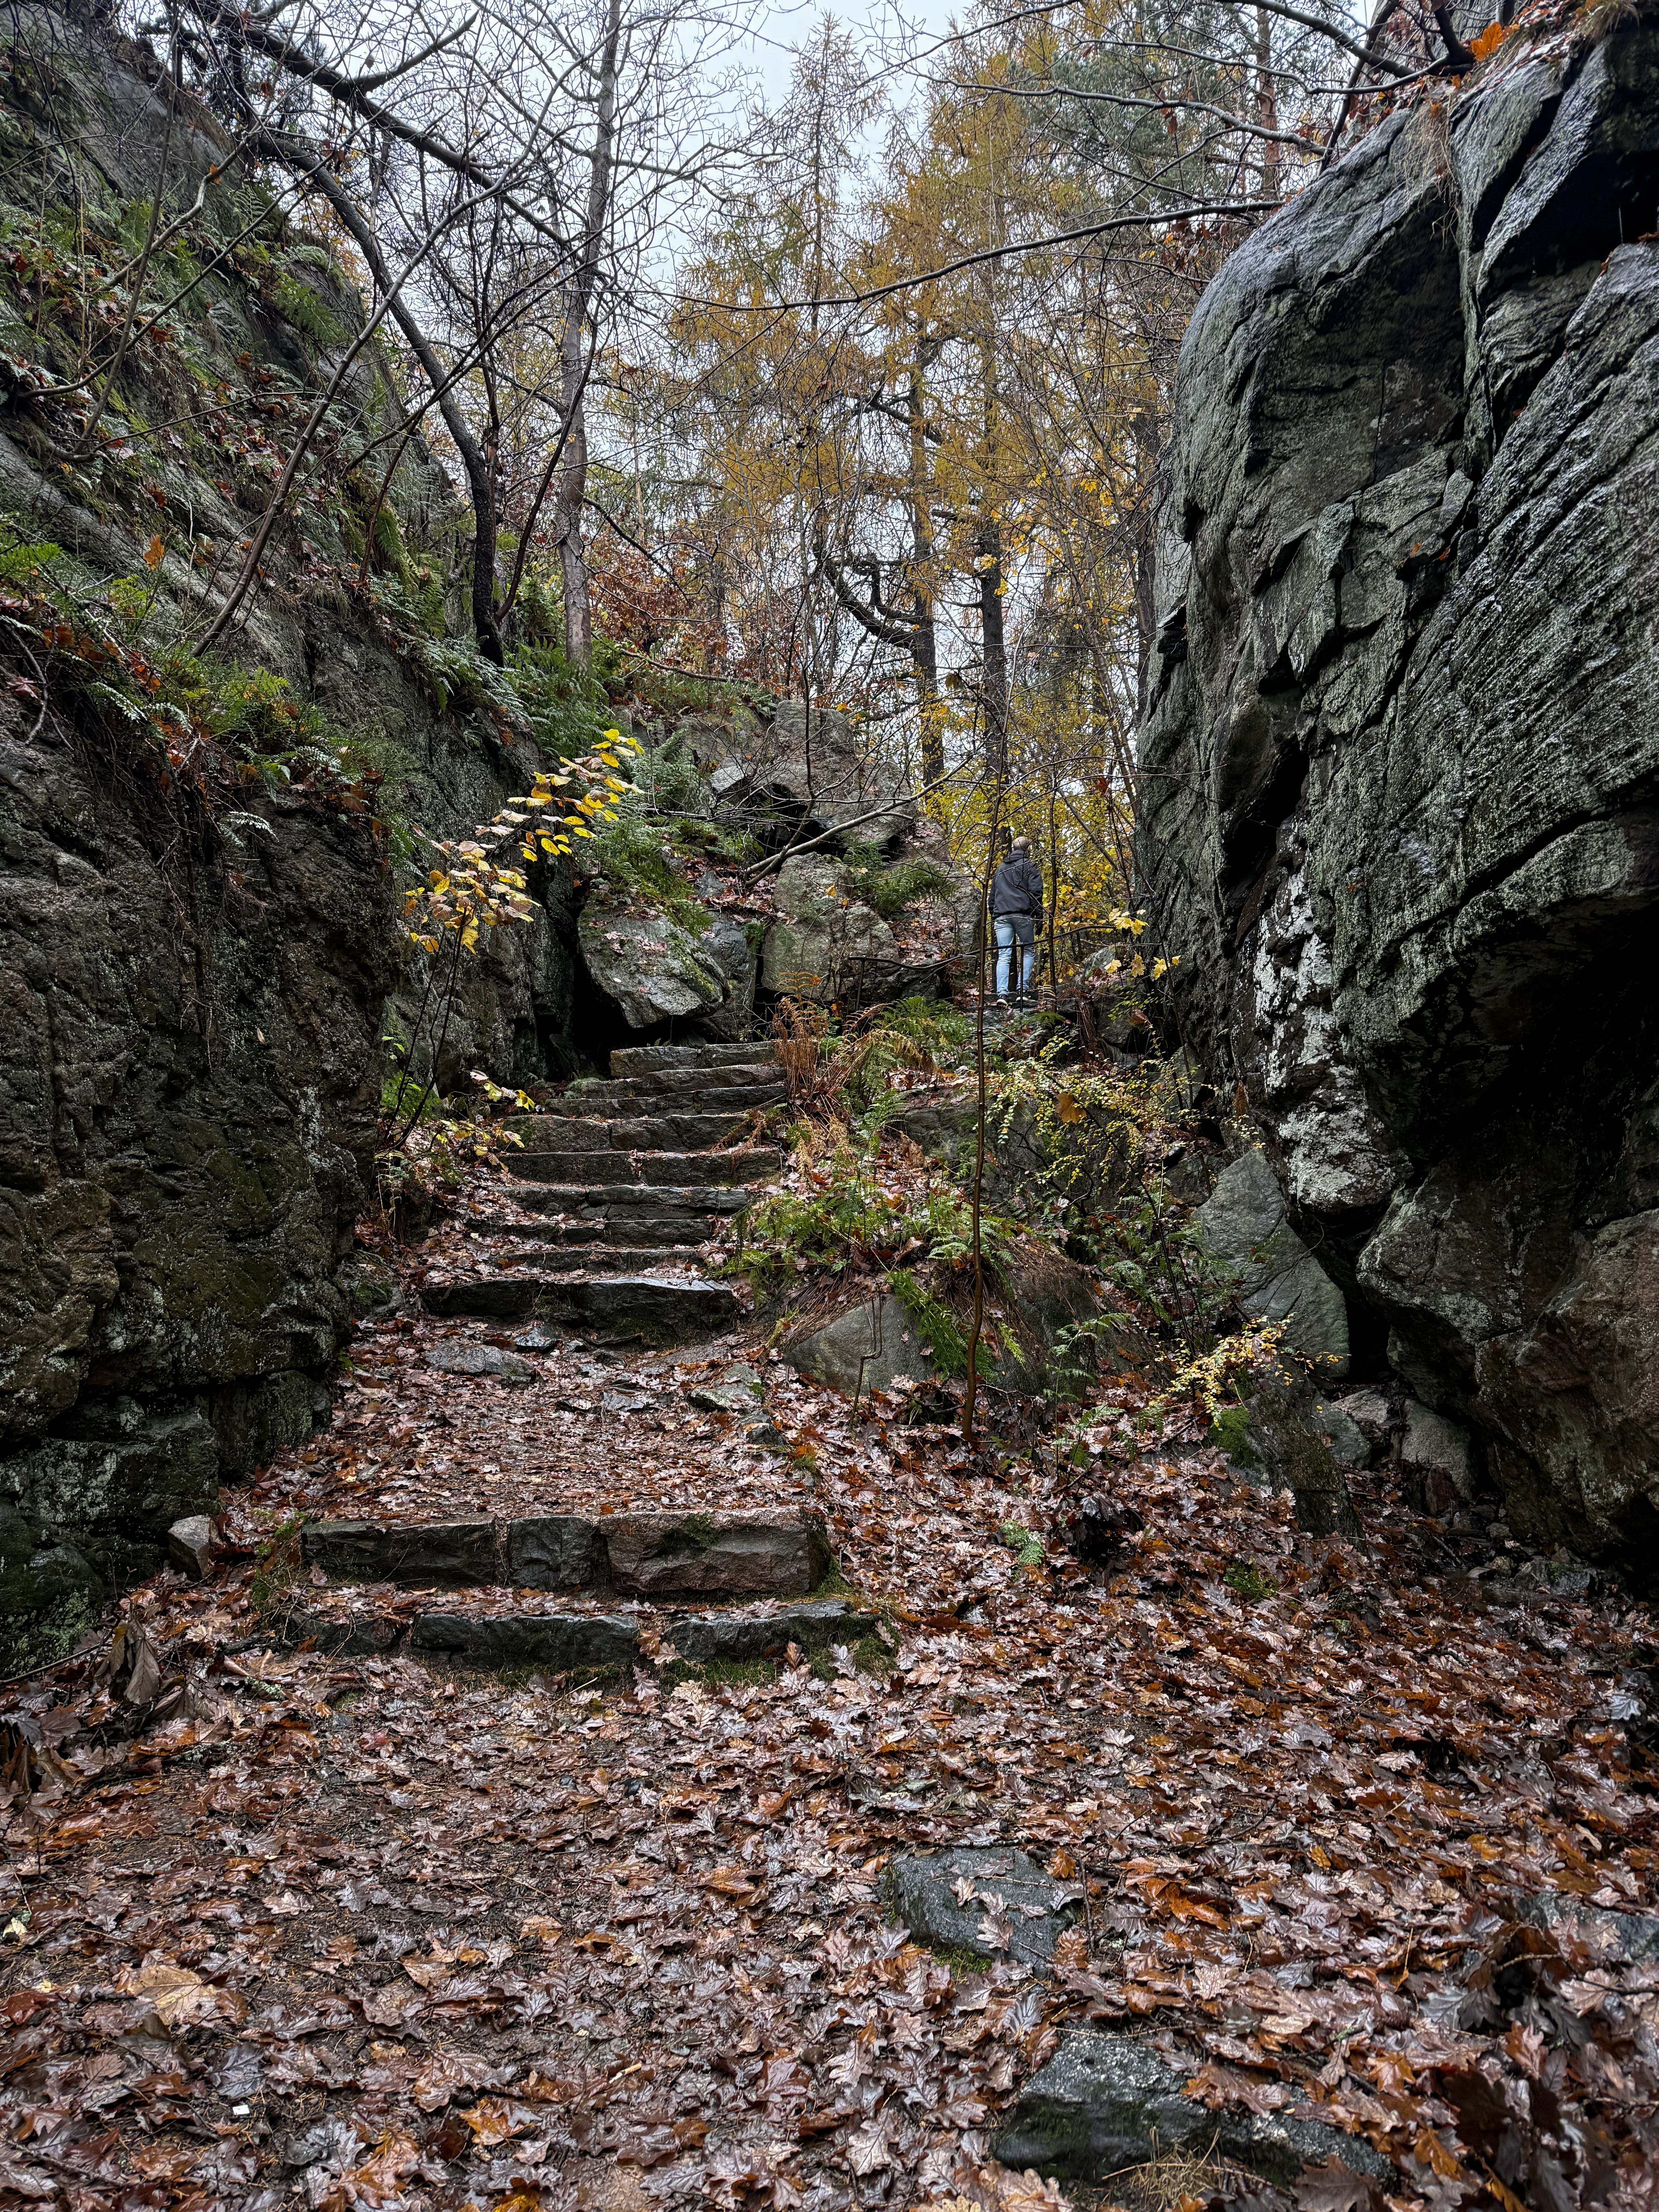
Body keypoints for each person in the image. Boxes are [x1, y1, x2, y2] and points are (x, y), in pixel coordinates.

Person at [988, 835, 1043, 1002]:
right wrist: (1039, 916)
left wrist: (995, 914)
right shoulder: (1031, 866)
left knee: (1004, 954)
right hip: (1023, 914)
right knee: (1028, 951)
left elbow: (992, 896)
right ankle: (1022, 992)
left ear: (1013, 849)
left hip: (1002, 916)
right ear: (1029, 849)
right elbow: (1036, 893)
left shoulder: (1000, 869)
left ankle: (1002, 994)